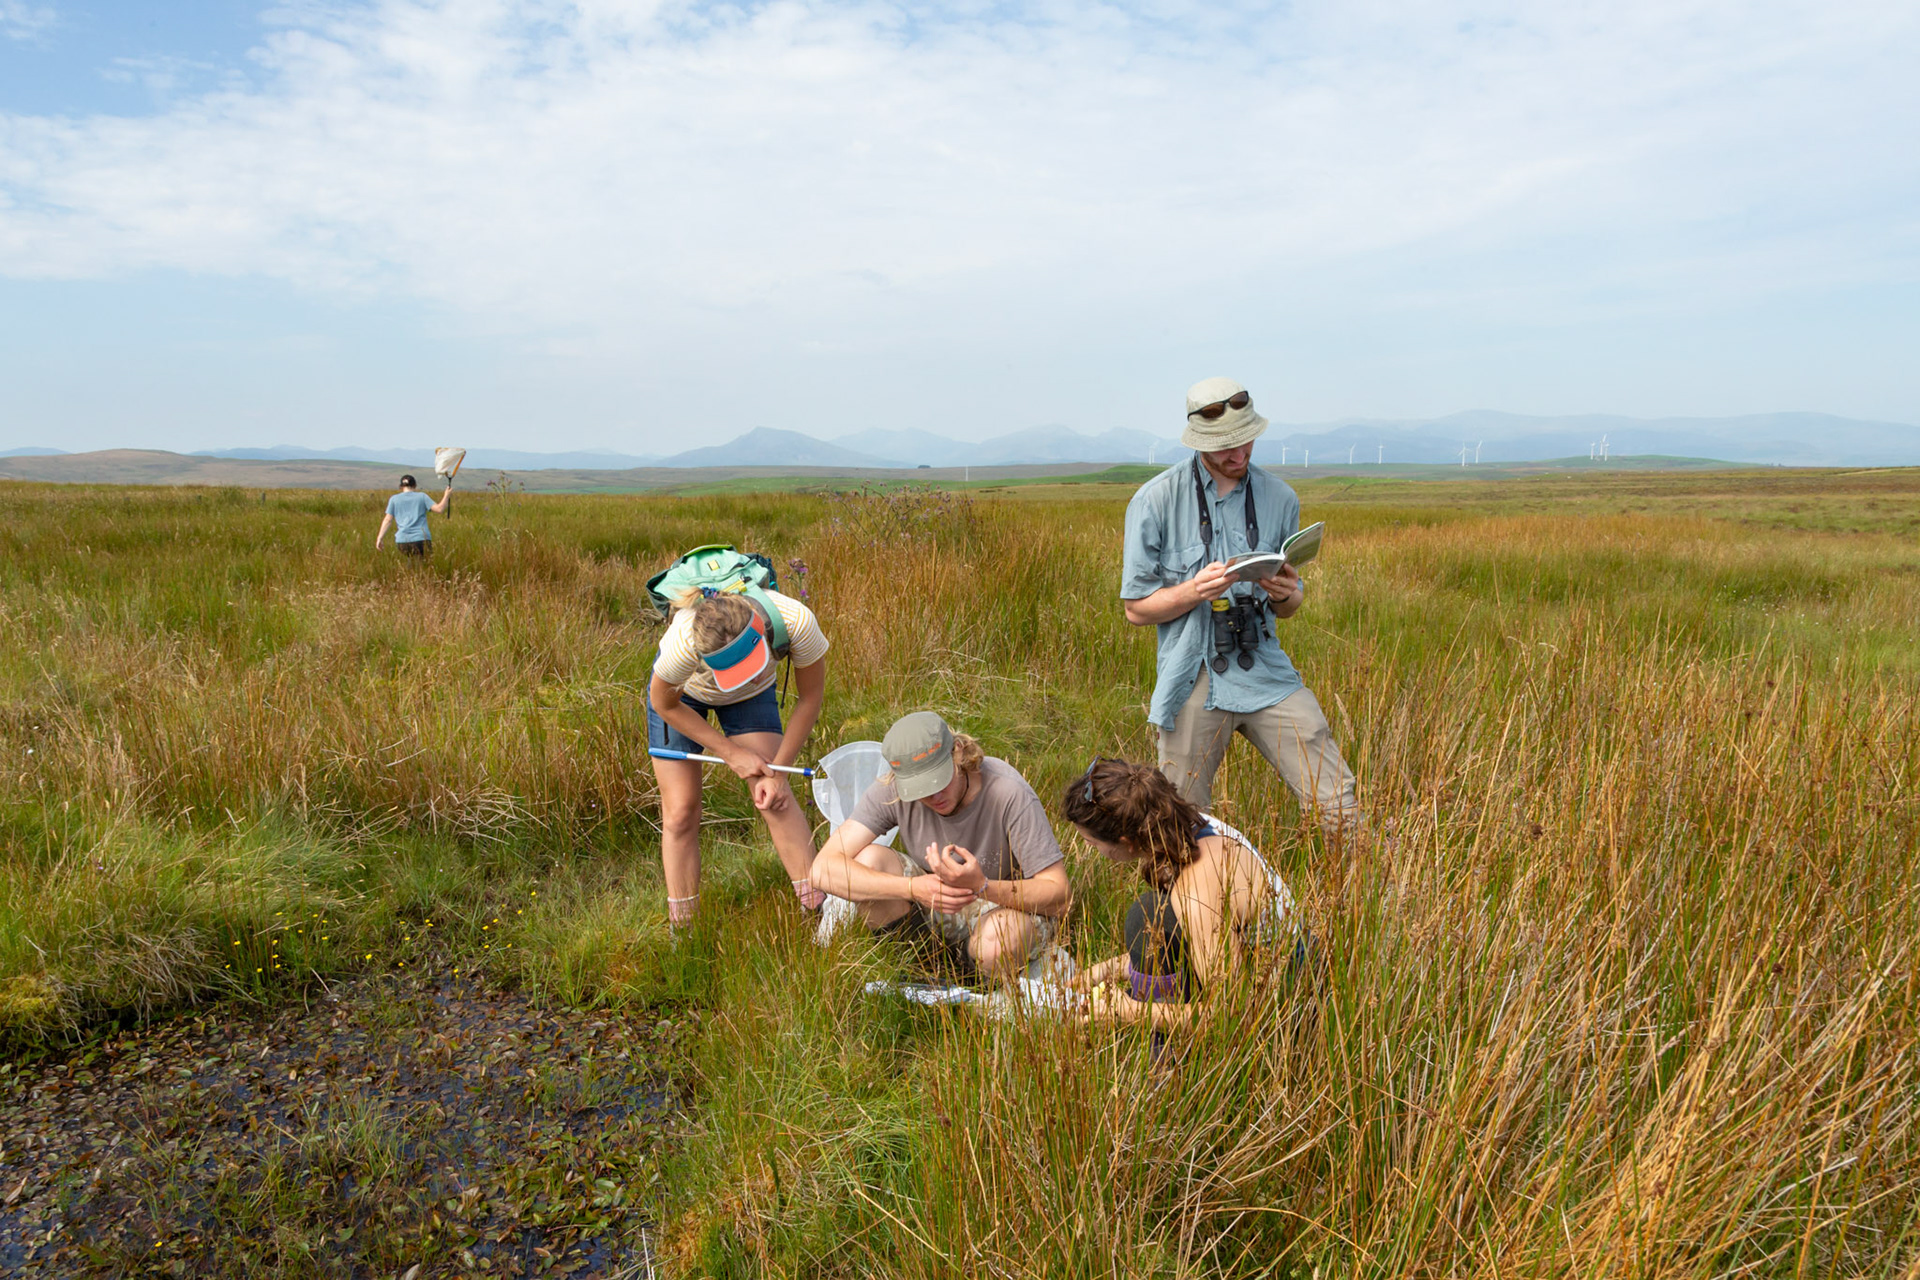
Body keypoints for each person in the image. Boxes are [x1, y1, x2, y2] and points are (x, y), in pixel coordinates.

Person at [1121, 377, 1359, 836]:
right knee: (1179, 820)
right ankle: (1188, 907)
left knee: (1336, 801)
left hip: (1266, 669)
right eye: (1224, 447)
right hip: (1193, 674)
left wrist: (1289, 595)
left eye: (1245, 441)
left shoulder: (1280, 498)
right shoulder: (1155, 500)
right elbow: (1136, 608)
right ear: (1198, 443)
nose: (1238, 454)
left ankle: (1365, 898)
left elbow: (1289, 607)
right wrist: (1195, 590)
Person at [808, 712, 1071, 981]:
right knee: (868, 860)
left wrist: (981, 885)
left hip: (1001, 905)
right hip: (931, 899)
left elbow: (1060, 896)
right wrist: (912, 888)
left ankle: (974, 985)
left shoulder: (1008, 792)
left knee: (998, 942)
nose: (933, 796)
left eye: (939, 780)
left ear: (958, 753)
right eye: (919, 789)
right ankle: (921, 972)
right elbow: (822, 870)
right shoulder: (892, 788)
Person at [1062, 757, 1299, 1024]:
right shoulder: (1191, 826)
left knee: (1148, 915)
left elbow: (1232, 1014)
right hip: (1268, 959)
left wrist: (1127, 1012)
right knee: (1154, 914)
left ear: (1126, 842)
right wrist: (1108, 969)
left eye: (1092, 843)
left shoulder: (1196, 891)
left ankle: (1167, 1054)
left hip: (1289, 991)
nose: (1093, 850)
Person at [649, 587, 829, 926]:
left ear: (760, 631)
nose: (748, 674)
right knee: (680, 812)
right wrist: (730, 754)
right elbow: (664, 703)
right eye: (736, 671)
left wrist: (778, 772)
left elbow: (810, 698)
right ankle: (684, 930)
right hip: (684, 698)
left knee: (774, 797)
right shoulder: (682, 645)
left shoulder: (796, 622)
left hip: (752, 698)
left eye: (752, 664)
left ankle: (819, 909)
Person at [374, 473, 451, 558]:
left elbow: (388, 520)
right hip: (421, 539)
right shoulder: (422, 496)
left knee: (412, 563)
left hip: (402, 541)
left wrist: (379, 538)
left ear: (401, 486)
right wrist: (446, 495)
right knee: (423, 565)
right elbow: (439, 509)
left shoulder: (394, 499)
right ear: (415, 485)